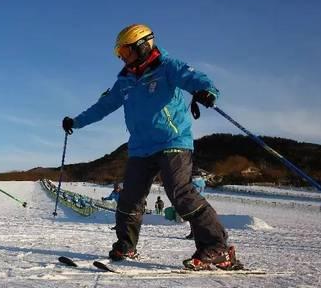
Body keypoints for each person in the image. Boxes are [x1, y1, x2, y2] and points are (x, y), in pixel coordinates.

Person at [61, 24, 241, 270]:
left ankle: (217, 248)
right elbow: (102, 107)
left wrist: (206, 91)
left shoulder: (167, 66)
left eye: (127, 52)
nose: (124, 59)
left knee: (180, 192)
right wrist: (76, 122)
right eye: (120, 55)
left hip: (173, 141)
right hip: (140, 148)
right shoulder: (124, 81)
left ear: (143, 45)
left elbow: (195, 78)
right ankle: (126, 245)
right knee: (129, 198)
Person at [185, 170, 207, 239]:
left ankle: (194, 234)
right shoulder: (202, 182)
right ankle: (200, 234)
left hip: (193, 202)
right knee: (200, 219)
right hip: (201, 201)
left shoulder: (192, 183)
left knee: (193, 219)